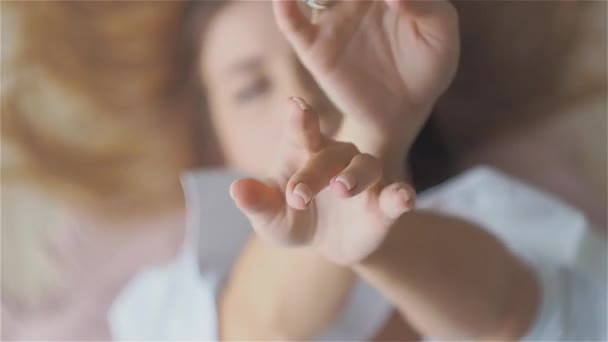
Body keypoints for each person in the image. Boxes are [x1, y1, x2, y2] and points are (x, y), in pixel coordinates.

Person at [1, 1, 605, 341]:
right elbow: (254, 327)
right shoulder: (164, 302)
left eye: (316, 69)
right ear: (214, 144)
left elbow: (511, 312)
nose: (300, 97)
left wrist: (378, 129)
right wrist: (367, 142)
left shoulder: (502, 218)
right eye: (251, 87)